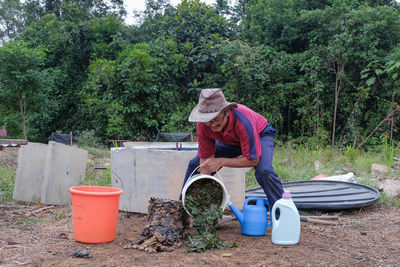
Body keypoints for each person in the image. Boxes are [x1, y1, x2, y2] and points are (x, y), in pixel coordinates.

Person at [180, 88, 284, 208]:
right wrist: (204, 191)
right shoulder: (203, 125)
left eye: (216, 119)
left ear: (227, 111)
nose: (212, 124)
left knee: (264, 170)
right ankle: (183, 209)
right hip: (230, 141)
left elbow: (253, 160)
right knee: (195, 164)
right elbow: (206, 162)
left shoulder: (244, 122)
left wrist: (221, 161)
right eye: (209, 121)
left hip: (260, 134)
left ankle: (281, 212)